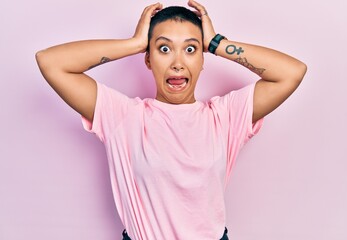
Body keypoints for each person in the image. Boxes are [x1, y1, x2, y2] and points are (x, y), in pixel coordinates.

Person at [35, 0, 307, 239]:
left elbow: (292, 72)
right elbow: (50, 62)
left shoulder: (225, 116)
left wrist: (216, 43)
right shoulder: (123, 116)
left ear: (202, 59)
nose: (177, 62)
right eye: (164, 49)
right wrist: (134, 43)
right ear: (148, 60)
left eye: (190, 50)